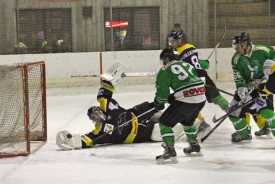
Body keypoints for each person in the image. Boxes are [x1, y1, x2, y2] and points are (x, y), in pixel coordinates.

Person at [56, 62, 185, 150]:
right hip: (139, 133)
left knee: (157, 106)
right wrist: (70, 140)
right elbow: (87, 140)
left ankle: (178, 99)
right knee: (159, 131)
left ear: (99, 109)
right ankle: (188, 128)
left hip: (136, 113)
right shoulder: (100, 131)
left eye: (96, 112)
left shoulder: (106, 105)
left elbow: (104, 93)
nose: (97, 117)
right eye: (94, 117)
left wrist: (110, 79)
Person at [168, 31, 229, 132]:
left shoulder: (177, 52)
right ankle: (228, 108)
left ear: (179, 40)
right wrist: (203, 63)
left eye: (173, 41)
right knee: (215, 96)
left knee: (189, 104)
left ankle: (200, 122)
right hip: (202, 74)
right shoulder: (190, 46)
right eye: (170, 41)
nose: (171, 44)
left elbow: (183, 65)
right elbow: (193, 61)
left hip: (191, 80)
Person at [154, 48, 206, 164]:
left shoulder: (165, 69)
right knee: (187, 121)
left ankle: (170, 150)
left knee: (164, 123)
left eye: (163, 59)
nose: (163, 62)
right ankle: (194, 145)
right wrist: (174, 96)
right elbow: (189, 80)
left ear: (167, 58)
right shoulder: (187, 64)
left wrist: (159, 103)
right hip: (201, 97)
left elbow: (163, 92)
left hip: (186, 100)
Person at [227, 34, 275, 142]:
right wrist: (242, 91)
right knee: (233, 113)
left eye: (238, 45)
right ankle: (244, 134)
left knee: (267, 112)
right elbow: (239, 78)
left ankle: (266, 126)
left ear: (245, 44)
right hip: (249, 87)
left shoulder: (263, 50)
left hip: (263, 86)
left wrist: (269, 77)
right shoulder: (236, 59)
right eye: (235, 46)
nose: (236, 48)